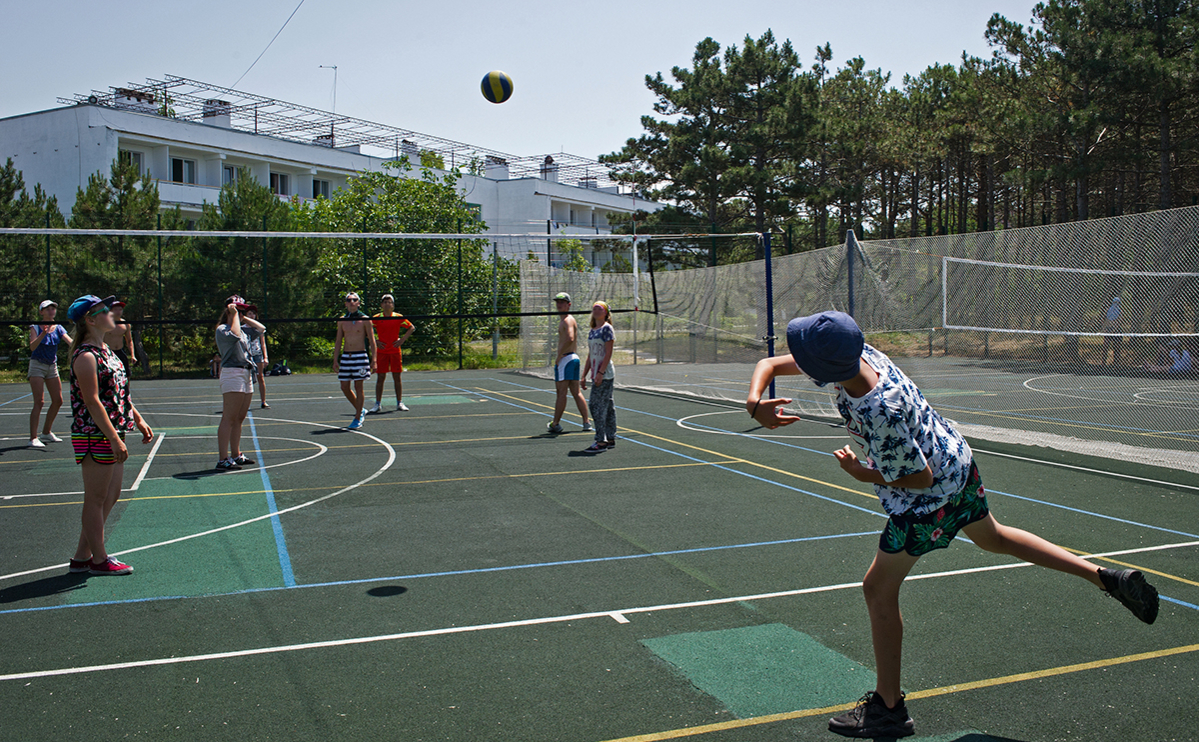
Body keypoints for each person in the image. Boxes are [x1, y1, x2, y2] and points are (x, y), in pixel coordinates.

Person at [745, 311, 1159, 739]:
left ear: (820, 368)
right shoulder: (863, 355)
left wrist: (864, 473)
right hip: (956, 463)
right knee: (995, 537)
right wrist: (754, 401)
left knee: (877, 588)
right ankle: (1105, 577)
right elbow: (769, 365)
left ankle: (888, 707)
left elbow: (917, 478)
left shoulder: (876, 409)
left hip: (927, 500)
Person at [65, 294, 153, 576]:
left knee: (111, 494)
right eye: (104, 311)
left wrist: (137, 419)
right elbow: (92, 401)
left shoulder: (108, 352)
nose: (111, 313)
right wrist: (114, 438)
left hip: (113, 431)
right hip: (95, 434)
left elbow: (119, 394)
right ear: (90, 320)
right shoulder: (86, 356)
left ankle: (82, 556)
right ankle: (99, 560)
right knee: (96, 497)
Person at [214, 296, 264, 472]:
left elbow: (261, 328)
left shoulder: (243, 329)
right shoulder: (223, 329)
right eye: (239, 309)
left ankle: (236, 454)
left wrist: (243, 317)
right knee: (229, 417)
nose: (241, 313)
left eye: (243, 310)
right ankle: (222, 458)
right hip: (232, 372)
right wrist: (234, 314)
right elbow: (234, 335)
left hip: (246, 372)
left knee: (240, 418)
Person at [27, 299, 71, 449]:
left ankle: (46, 432)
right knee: (39, 402)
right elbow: (32, 347)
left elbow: (70, 342)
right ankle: (33, 438)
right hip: (37, 365)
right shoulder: (35, 327)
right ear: (41, 312)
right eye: (47, 309)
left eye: (53, 308)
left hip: (52, 366)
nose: (51, 311)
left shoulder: (58, 327)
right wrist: (43, 334)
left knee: (58, 400)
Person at [546, 292, 591, 434]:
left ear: (569, 305)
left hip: (567, 359)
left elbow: (570, 338)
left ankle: (556, 424)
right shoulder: (566, 319)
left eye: (563, 302)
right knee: (575, 392)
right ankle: (586, 422)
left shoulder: (567, 320)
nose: (559, 304)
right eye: (558, 302)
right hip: (572, 358)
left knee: (561, 393)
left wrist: (559, 356)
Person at [333, 292, 376, 430]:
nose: (352, 302)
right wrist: (335, 359)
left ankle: (358, 417)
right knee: (344, 386)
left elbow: (372, 341)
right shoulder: (342, 320)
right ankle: (361, 408)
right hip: (346, 356)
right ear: (345, 303)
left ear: (358, 303)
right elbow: (339, 340)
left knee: (359, 387)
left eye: (354, 300)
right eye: (349, 300)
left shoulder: (365, 319)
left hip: (360, 356)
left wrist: (374, 360)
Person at [368, 293, 414, 413]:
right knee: (380, 377)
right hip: (382, 352)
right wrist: (375, 341)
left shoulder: (398, 317)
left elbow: (411, 327)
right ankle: (377, 404)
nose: (387, 304)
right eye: (385, 302)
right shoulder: (377, 318)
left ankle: (399, 402)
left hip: (394, 351)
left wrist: (402, 340)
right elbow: (367, 329)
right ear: (381, 305)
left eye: (390, 302)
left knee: (397, 377)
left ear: (393, 305)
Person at [580, 300, 616, 452]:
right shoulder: (593, 330)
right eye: (594, 308)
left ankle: (601, 441)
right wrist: (584, 375)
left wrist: (600, 373)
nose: (596, 310)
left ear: (606, 313)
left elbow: (608, 352)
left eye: (599, 308)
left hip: (605, 374)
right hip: (596, 373)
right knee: (607, 406)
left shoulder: (607, 329)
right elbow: (590, 355)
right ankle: (610, 437)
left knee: (596, 405)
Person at [245, 308, 270, 408]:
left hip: (257, 353)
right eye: (249, 313)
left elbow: (263, 344)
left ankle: (263, 401)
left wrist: (265, 357)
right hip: (247, 355)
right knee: (247, 378)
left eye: (253, 314)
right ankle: (245, 402)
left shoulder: (258, 328)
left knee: (260, 376)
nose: (251, 316)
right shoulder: (242, 328)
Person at [103, 300, 136, 374]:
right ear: (110, 311)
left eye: (120, 309)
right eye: (115, 309)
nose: (118, 311)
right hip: (107, 352)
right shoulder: (104, 324)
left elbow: (129, 341)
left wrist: (132, 355)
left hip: (120, 351)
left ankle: (126, 386)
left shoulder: (126, 324)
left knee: (126, 374)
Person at [1100, 296, 1121, 366]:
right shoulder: (1109, 310)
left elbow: (1119, 321)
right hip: (1109, 330)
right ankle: (1103, 362)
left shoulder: (1119, 311)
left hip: (1117, 331)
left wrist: (1115, 329)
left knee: (1117, 347)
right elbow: (1106, 320)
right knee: (1106, 346)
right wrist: (1104, 329)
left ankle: (1116, 363)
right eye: (1114, 302)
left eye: (1117, 303)